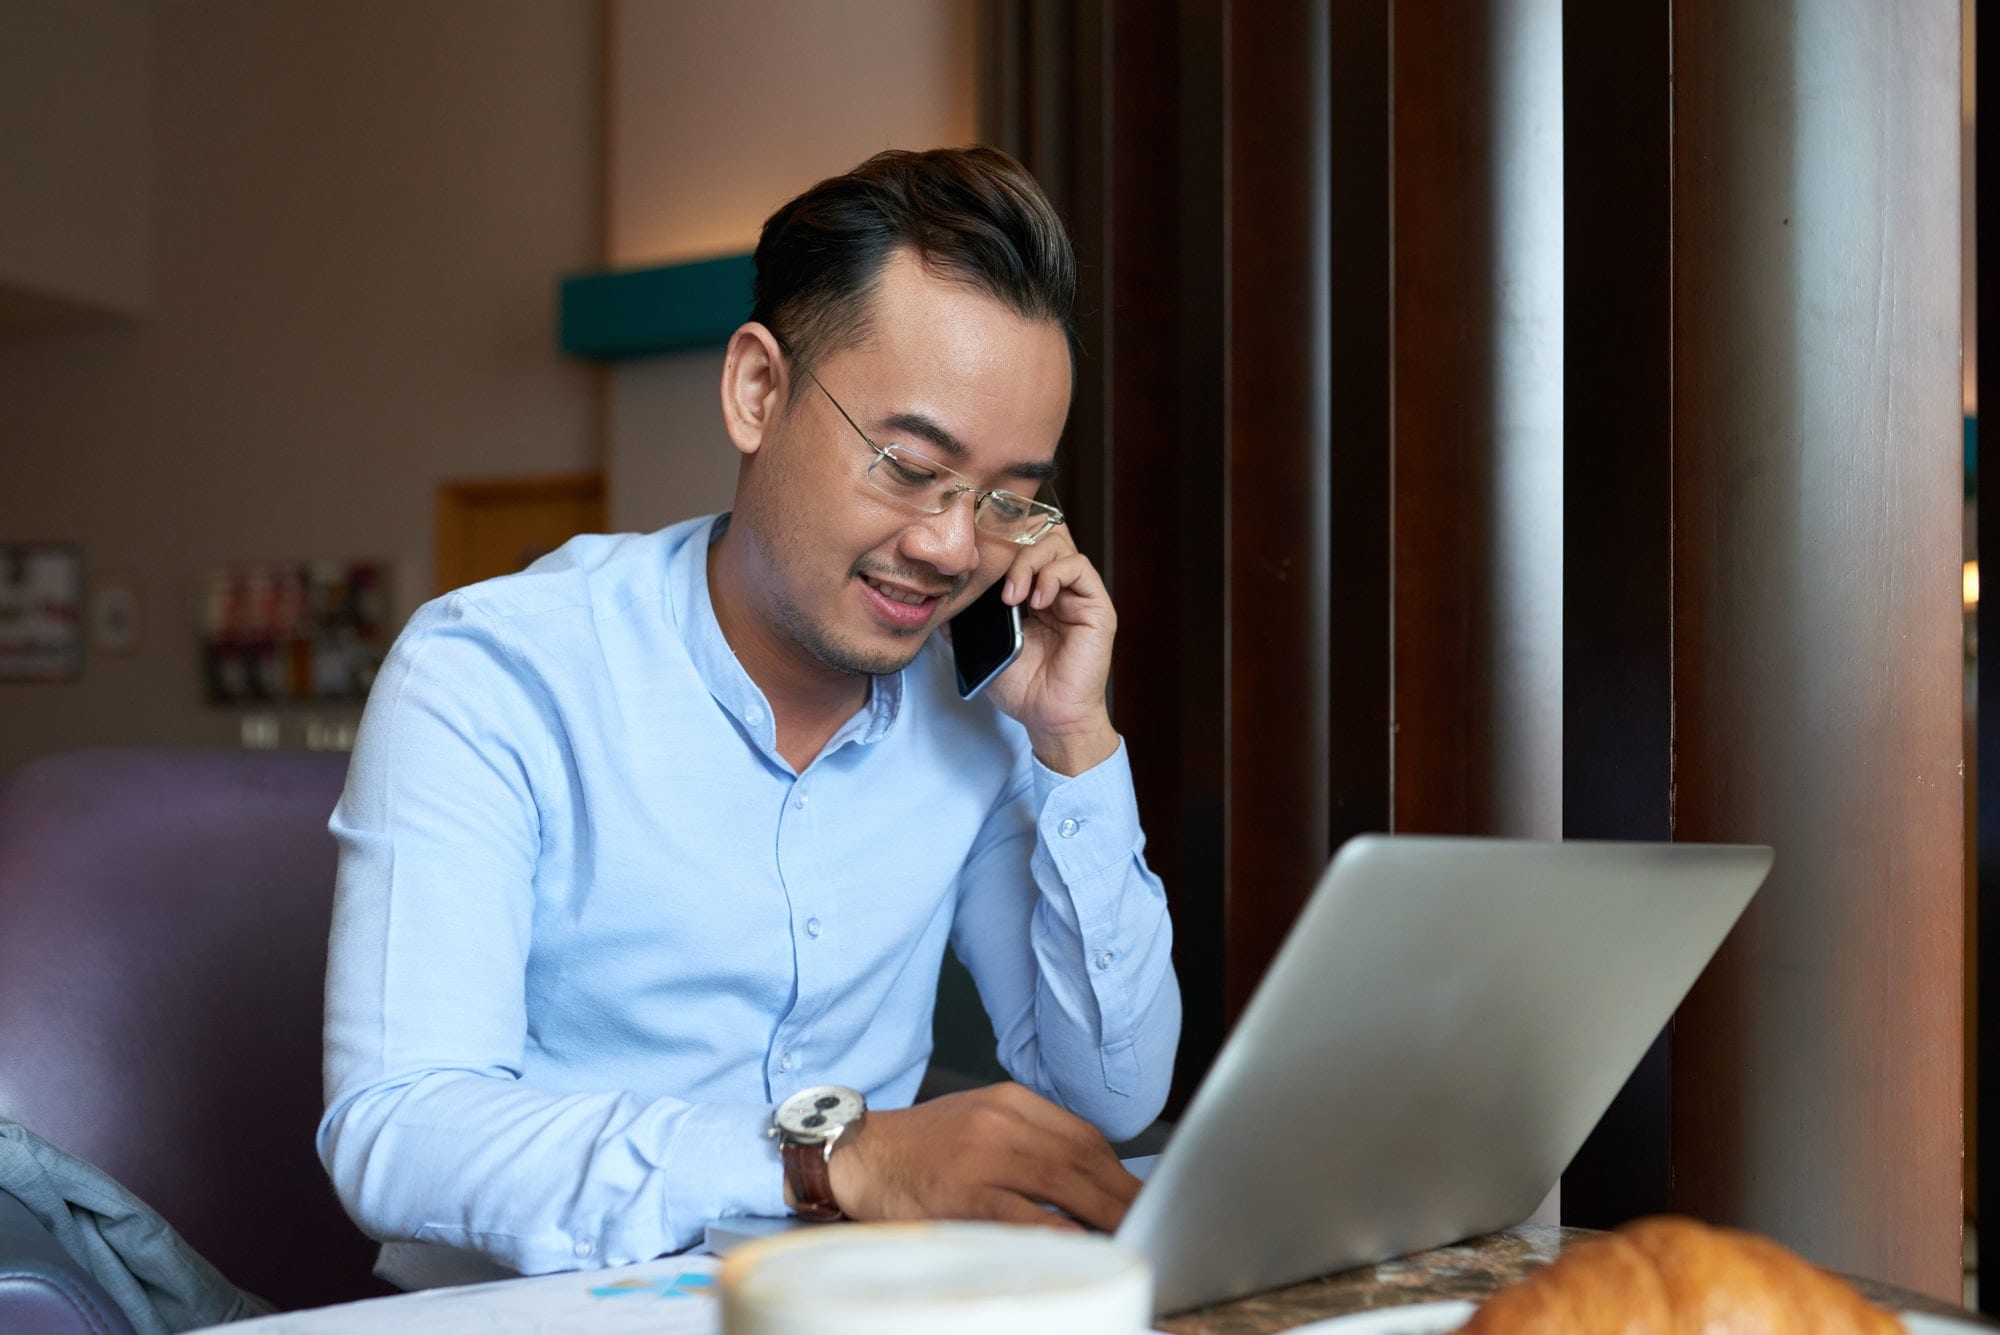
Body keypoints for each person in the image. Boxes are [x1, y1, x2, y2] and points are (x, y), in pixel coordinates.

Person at [317, 145, 1181, 1285]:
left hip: (848, 1309)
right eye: (907, 465)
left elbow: (1107, 1094)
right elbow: (395, 1132)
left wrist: (1073, 745)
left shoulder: (978, 710)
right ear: (756, 391)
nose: (949, 546)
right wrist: (828, 1160)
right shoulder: (492, 674)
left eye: (1007, 499)